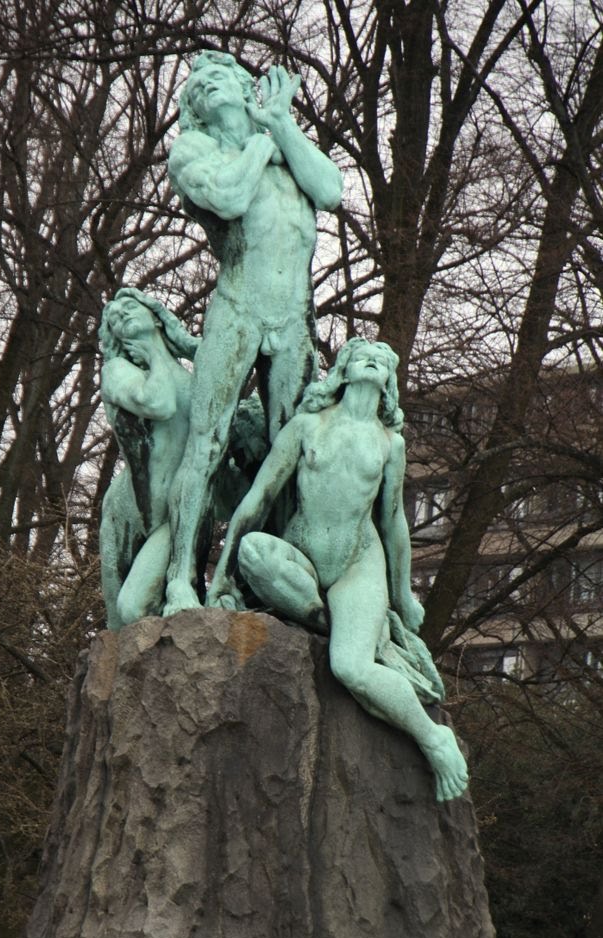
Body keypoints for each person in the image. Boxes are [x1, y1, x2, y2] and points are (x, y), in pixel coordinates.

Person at [207, 338, 468, 802]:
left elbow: (392, 521)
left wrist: (403, 594)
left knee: (351, 667)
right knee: (254, 552)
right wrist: (221, 575)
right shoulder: (308, 427)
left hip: (356, 563)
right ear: (342, 371)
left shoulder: (391, 444)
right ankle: (330, 622)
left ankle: (434, 739)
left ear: (388, 381)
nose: (372, 359)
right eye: (360, 355)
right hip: (303, 554)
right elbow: (258, 498)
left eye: (383, 360)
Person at [164, 52, 343, 613]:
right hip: (237, 309)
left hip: (292, 320)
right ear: (196, 108)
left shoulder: (285, 149)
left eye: (220, 77)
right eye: (199, 84)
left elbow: (332, 189)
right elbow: (230, 197)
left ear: (246, 89)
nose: (207, 85)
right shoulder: (193, 150)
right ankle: (178, 578)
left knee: (290, 446)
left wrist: (282, 125)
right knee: (207, 441)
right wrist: (265, 138)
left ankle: (270, 579)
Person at [99, 288, 196, 628]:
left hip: (175, 515)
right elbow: (158, 404)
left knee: (133, 609)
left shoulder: (194, 381)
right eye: (113, 318)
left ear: (156, 316)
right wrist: (156, 357)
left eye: (128, 307)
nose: (120, 315)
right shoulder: (116, 371)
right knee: (115, 627)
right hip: (127, 513)